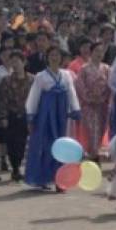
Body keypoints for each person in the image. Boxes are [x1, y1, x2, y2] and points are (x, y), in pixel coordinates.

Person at [25, 46, 81, 191]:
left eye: (57, 55)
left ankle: (60, 180)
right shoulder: (41, 76)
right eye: (51, 55)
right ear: (47, 58)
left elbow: (71, 93)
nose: (54, 58)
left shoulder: (67, 75)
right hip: (46, 116)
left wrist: (75, 109)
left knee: (62, 146)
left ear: (61, 58)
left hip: (62, 115)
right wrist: (31, 115)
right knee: (47, 146)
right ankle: (44, 178)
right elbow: (34, 97)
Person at [0, 50, 34, 181]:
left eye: (17, 61)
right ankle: (15, 168)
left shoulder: (32, 79)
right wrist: (3, 117)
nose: (14, 64)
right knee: (12, 144)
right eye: (12, 61)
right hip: (11, 116)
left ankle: (17, 167)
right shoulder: (6, 80)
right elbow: (2, 100)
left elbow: (36, 99)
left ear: (24, 62)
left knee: (22, 144)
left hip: (26, 116)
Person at [75, 42, 112, 161]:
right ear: (91, 52)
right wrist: (90, 98)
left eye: (101, 51)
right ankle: (92, 156)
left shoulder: (106, 68)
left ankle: (96, 154)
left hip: (102, 105)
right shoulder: (84, 69)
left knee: (101, 130)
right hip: (88, 106)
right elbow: (80, 86)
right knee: (91, 131)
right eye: (96, 51)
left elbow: (110, 86)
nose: (99, 54)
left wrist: (103, 98)